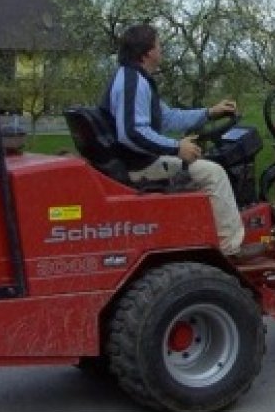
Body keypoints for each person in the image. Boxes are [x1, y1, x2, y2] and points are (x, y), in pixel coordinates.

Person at [102, 23, 246, 256]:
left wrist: (208, 112)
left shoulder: (133, 77)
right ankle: (230, 250)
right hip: (139, 166)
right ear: (148, 52)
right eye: (159, 45)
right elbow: (131, 133)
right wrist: (176, 147)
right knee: (214, 174)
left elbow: (168, 118)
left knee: (203, 166)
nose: (162, 50)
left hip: (134, 161)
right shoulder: (133, 82)